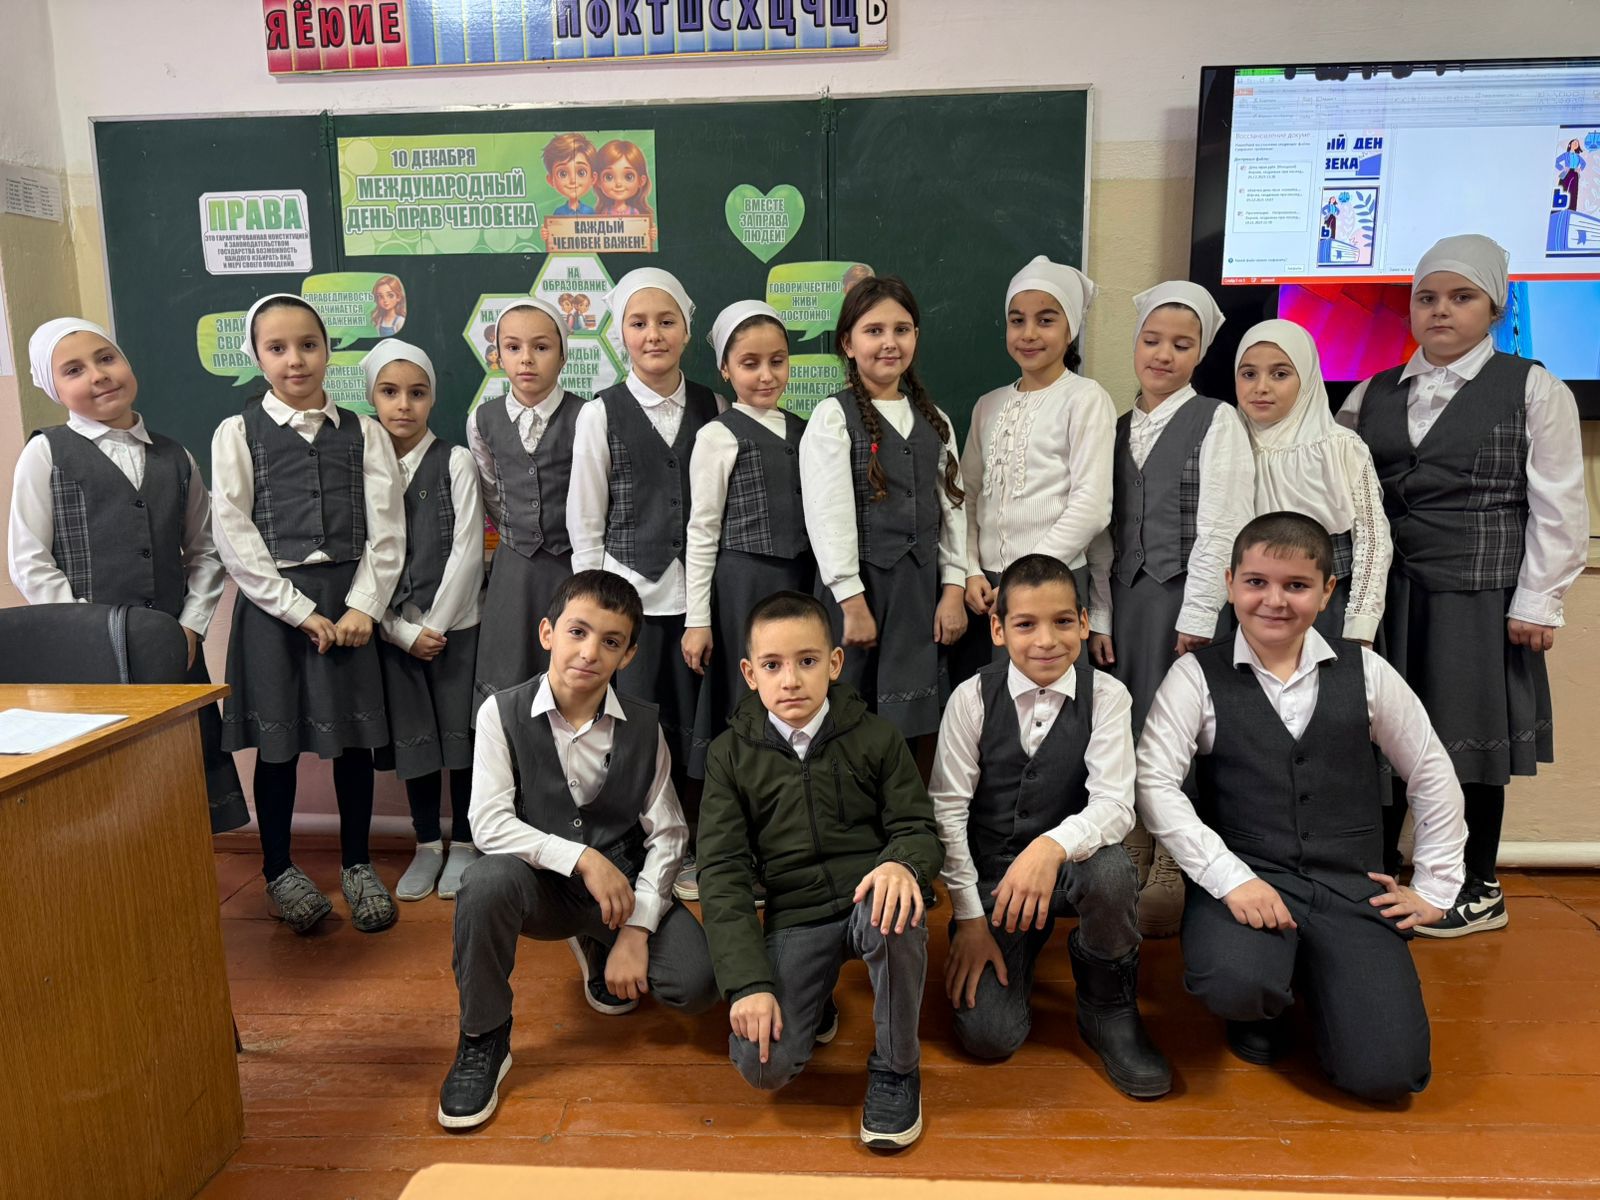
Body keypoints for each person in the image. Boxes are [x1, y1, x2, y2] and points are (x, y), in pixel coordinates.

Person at [1137, 512, 1467, 1102]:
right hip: (1249, 877)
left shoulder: (1368, 672)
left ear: (1326, 591)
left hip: (1350, 884)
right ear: (1230, 583)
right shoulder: (1194, 676)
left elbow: (1431, 770)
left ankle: (1325, 978)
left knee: (1389, 1076)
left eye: (1296, 585)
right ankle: (1264, 1003)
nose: (1274, 601)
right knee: (1233, 979)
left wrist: (1436, 888)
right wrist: (1231, 879)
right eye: (1256, 582)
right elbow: (1156, 784)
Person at [1340, 233, 1589, 936]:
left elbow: (1560, 503)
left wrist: (1539, 600)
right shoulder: (1369, 394)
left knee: (1465, 738)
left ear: (1495, 308)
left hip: (1478, 594)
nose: (1441, 310)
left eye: (1461, 297)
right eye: (1426, 297)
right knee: (1380, 733)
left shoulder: (1532, 387)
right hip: (1385, 596)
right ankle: (1383, 872)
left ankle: (1476, 885)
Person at [438, 571, 718, 1131]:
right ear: (548, 633)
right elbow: (487, 823)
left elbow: (668, 834)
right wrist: (582, 859)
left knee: (696, 984)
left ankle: (599, 940)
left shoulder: (644, 726)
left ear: (628, 654)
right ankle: (483, 1038)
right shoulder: (500, 713)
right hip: (539, 886)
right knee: (483, 883)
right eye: (577, 632)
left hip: (620, 890)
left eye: (610, 641)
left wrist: (636, 930)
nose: (590, 652)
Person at [698, 591, 944, 1149]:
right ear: (750, 674)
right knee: (762, 1065)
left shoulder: (877, 737)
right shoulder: (728, 757)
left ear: (834, 663)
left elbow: (917, 827)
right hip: (797, 915)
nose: (790, 680)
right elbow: (723, 873)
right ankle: (813, 997)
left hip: (868, 897)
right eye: (772, 665)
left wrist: (902, 864)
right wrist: (749, 984)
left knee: (895, 910)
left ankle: (897, 1068)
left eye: (807, 661)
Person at [931, 554, 1170, 1098]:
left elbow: (1115, 805)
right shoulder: (970, 698)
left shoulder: (1107, 696)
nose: (1046, 640)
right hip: (995, 879)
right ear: (998, 630)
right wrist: (969, 920)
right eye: (1025, 624)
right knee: (989, 1037)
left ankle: (1106, 1001)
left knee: (1112, 871)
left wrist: (1050, 847)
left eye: (1063, 621)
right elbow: (947, 811)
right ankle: (1013, 945)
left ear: (1084, 623)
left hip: (1070, 866)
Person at [210, 293, 406, 934]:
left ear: (327, 350)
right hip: (275, 611)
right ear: (257, 356)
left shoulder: (365, 432)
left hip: (349, 607)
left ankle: (357, 864)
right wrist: (296, 610)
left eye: (308, 345)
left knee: (352, 745)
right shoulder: (237, 432)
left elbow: (388, 530)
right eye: (277, 348)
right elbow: (234, 534)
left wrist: (364, 607)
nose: (295, 360)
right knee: (278, 748)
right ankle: (277, 871)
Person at [11, 318, 246, 833]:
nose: (98, 375)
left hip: (172, 651)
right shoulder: (45, 452)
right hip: (85, 658)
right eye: (74, 370)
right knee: (105, 798)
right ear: (54, 389)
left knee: (178, 780)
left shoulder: (176, 457)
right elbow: (29, 559)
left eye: (105, 358)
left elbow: (205, 551)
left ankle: (182, 880)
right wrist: (85, 635)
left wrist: (190, 626)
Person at [1084, 282, 1254, 938]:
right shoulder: (1116, 427)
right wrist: (1101, 615)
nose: (1163, 354)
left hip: (1183, 603)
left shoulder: (1216, 420)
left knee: (1176, 726)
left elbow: (1223, 523)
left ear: (1200, 352)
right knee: (1124, 723)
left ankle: (1173, 859)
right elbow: (1103, 531)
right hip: (1127, 600)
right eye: (1152, 340)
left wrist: (1200, 614)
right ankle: (1132, 838)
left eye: (1181, 344)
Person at [568, 269, 720, 899]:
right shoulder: (599, 413)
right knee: (630, 732)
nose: (653, 334)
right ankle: (629, 846)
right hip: (630, 604)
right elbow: (586, 520)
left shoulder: (715, 406)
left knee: (697, 731)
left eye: (666, 321)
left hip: (700, 602)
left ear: (686, 329)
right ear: (620, 333)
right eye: (638, 323)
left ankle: (696, 846)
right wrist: (597, 613)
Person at [800, 275, 968, 745]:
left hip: (919, 592)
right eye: (874, 330)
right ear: (847, 344)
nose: (889, 342)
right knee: (850, 713)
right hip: (860, 591)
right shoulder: (833, 417)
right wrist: (850, 600)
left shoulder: (936, 420)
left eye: (902, 329)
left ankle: (905, 791)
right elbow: (827, 515)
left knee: (913, 722)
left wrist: (954, 588)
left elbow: (953, 510)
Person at [956, 256, 1115, 687]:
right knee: (991, 702)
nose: (1028, 333)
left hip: (1054, 581)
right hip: (985, 591)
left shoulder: (1085, 398)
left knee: (1052, 700)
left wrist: (1020, 578)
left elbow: (1091, 507)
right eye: (1017, 320)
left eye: (1045, 320)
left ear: (1070, 329)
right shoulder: (987, 405)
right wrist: (970, 569)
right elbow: (966, 496)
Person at [366, 340, 486, 901]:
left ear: (432, 398)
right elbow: (363, 557)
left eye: (417, 393)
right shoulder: (364, 467)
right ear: (371, 397)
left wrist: (434, 625)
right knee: (414, 742)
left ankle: (464, 842)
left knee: (461, 741)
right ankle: (426, 844)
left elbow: (467, 549)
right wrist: (400, 630)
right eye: (389, 392)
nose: (403, 405)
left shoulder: (455, 460)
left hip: (455, 628)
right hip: (394, 632)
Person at [683, 300, 815, 756]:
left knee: (797, 685)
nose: (766, 375)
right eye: (749, 363)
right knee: (751, 687)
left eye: (777, 361)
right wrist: (698, 620)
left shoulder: (805, 429)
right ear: (725, 369)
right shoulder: (717, 435)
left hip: (802, 580)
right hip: (742, 585)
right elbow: (702, 531)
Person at [1234, 319, 1389, 646]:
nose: (1261, 387)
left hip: (1327, 605)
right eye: (1248, 374)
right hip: (1249, 604)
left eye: (1280, 374)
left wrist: (1361, 623)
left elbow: (1373, 538)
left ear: (1306, 378)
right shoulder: (1227, 444)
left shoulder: (1339, 445)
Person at [468, 298, 578, 703]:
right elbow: (491, 489)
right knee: (511, 666)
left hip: (571, 564)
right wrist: (518, 531)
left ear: (562, 355)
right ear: (498, 356)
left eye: (541, 347)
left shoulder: (588, 415)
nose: (526, 359)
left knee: (570, 663)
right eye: (513, 347)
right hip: (514, 569)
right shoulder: (482, 419)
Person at [543, 132, 596, 216]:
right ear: (551, 180)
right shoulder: (559, 212)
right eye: (563, 174)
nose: (573, 180)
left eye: (581, 173)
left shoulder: (589, 211)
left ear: (593, 178)